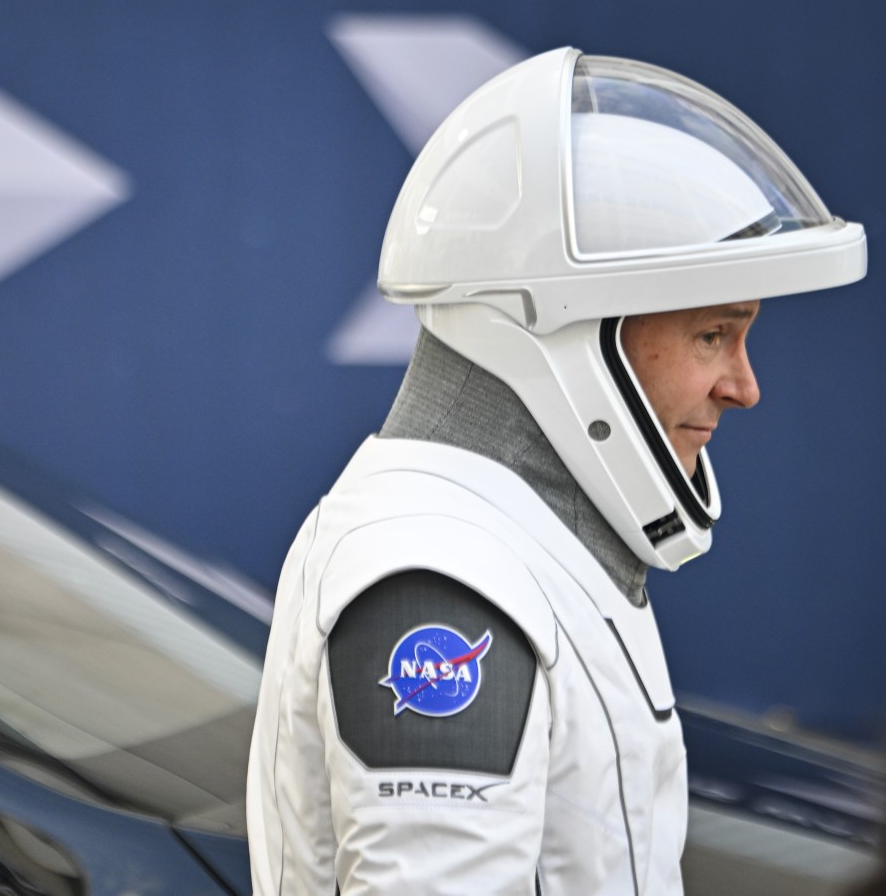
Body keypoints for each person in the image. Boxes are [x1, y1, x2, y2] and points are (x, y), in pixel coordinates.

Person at [247, 48, 866, 894]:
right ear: (572, 333)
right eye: (713, 335)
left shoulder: (514, 542)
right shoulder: (438, 578)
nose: (744, 387)